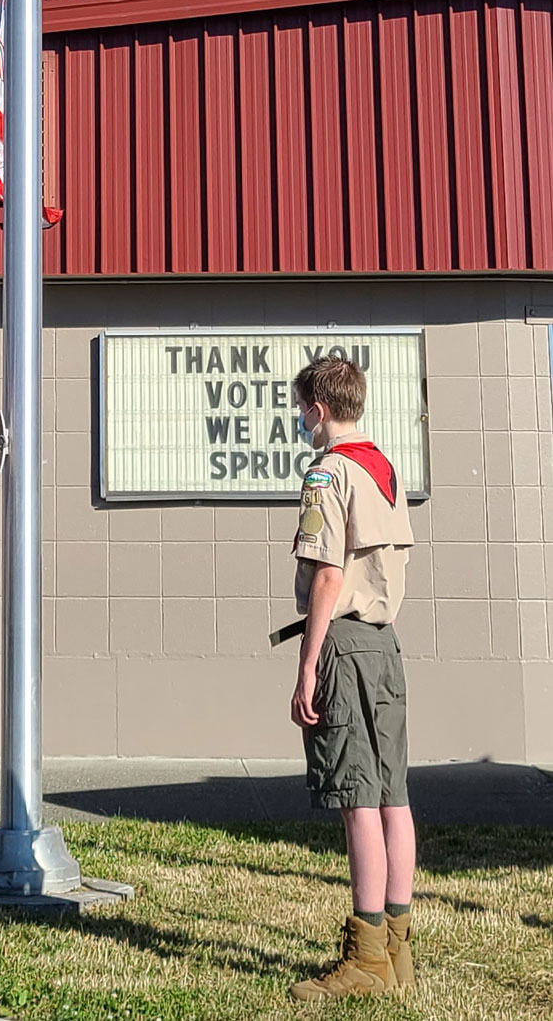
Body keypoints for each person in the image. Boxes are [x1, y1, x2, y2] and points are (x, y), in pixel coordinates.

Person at [284, 356, 417, 1001]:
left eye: (301, 410)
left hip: (345, 641)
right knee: (393, 793)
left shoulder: (327, 472)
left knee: (357, 797)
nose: (302, 421)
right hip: (386, 642)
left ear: (317, 409)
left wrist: (308, 665)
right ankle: (398, 944)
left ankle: (365, 954)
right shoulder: (383, 467)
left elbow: (329, 574)